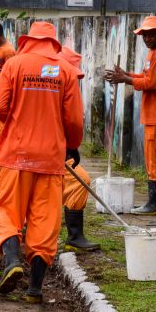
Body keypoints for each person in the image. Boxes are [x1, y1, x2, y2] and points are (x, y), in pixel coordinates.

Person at [0, 21, 84, 303]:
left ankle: (11, 262)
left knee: (9, 211)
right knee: (45, 221)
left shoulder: (15, 65)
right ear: (53, 44)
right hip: (51, 158)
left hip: (16, 155)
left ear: (28, 40)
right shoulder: (66, 71)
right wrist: (72, 145)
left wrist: (17, 121)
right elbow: (74, 120)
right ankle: (34, 290)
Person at [105, 15, 156, 215]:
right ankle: (155, 203)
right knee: (151, 156)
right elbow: (146, 77)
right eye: (144, 35)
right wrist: (125, 75)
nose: (147, 38)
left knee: (154, 159)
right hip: (154, 112)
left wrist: (125, 79)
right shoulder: (154, 52)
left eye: (151, 35)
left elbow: (151, 83)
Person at [58, 46, 100, 252]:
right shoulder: (61, 89)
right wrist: (71, 146)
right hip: (50, 152)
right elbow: (73, 122)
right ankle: (74, 236)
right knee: (79, 181)